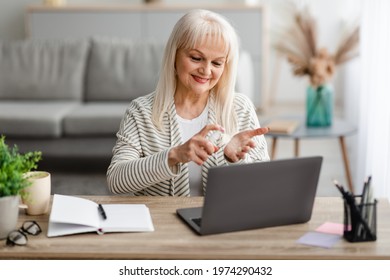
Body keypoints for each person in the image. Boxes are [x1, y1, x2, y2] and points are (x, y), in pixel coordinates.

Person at [107, 9, 270, 196]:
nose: (206, 70)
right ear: (174, 55)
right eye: (196, 58)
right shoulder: (141, 111)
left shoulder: (240, 108)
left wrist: (234, 159)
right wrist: (174, 156)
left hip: (222, 223)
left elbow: (263, 186)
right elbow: (116, 181)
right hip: (162, 223)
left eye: (217, 63)